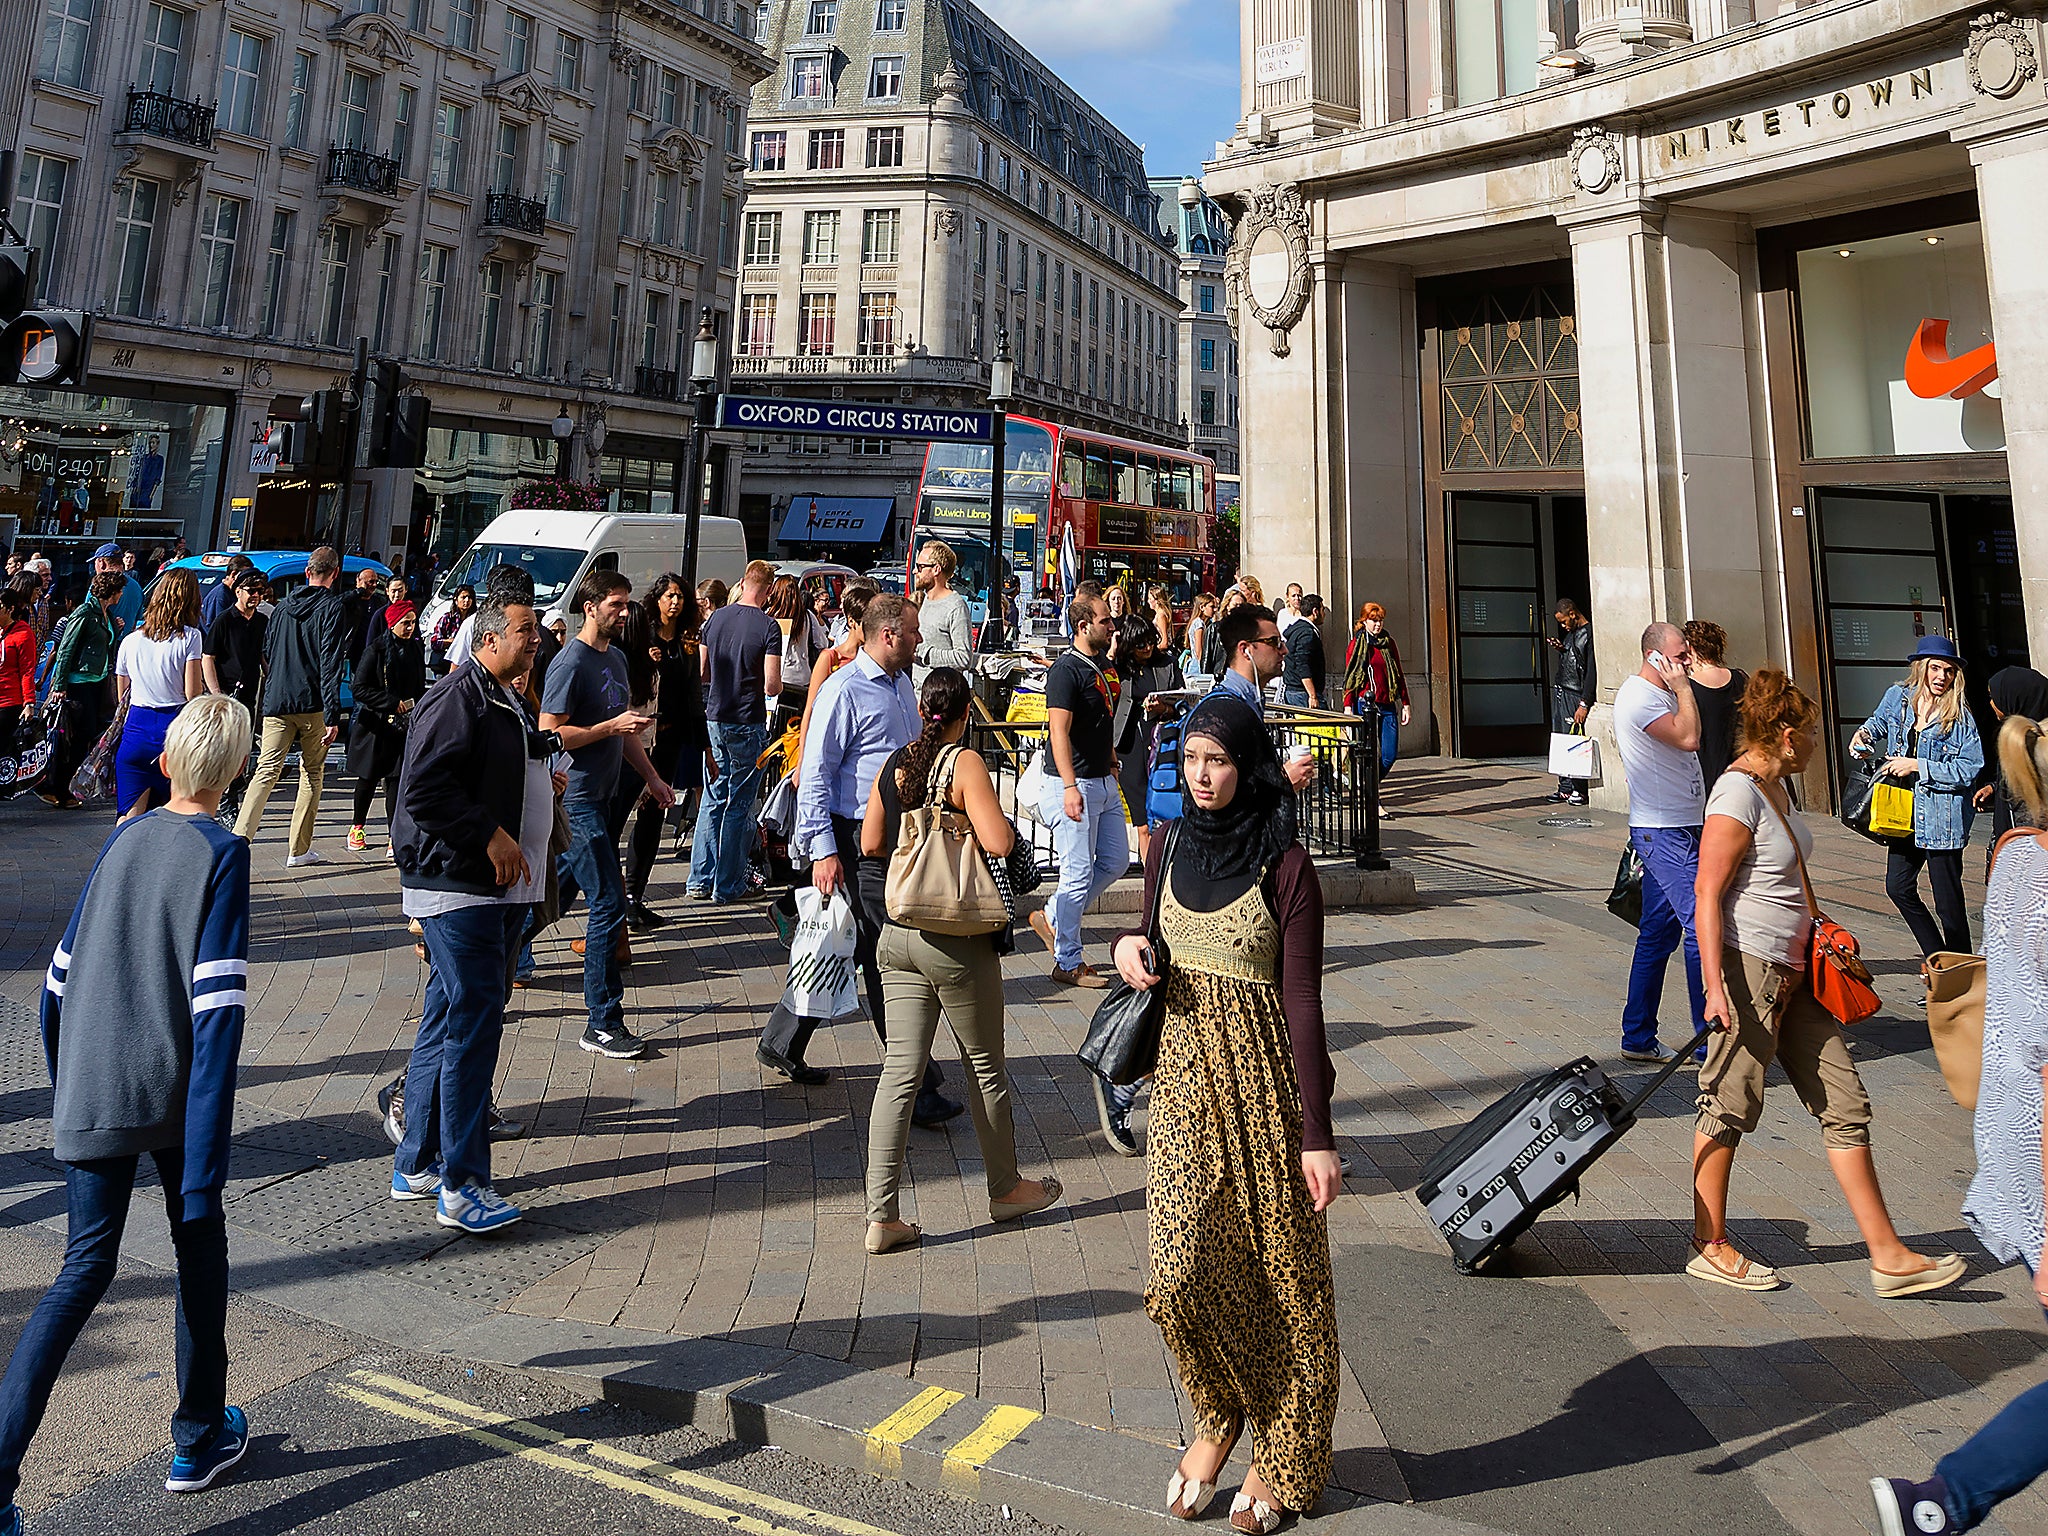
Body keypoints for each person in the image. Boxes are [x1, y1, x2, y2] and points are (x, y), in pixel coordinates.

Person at [4, 695, 255, 1524]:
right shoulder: (224, 853)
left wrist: (66, 1080)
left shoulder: (123, 838)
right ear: (235, 769)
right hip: (173, 1093)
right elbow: (217, 1013)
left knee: (82, 1269)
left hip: (95, 1082)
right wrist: (207, 1158)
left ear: (173, 759)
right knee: (199, 1251)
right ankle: (196, 1436)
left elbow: (56, 983)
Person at [1110, 695, 1340, 1533]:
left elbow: (1306, 1004)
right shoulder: (1165, 846)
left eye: (1219, 760)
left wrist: (1318, 1135)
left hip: (1267, 1094)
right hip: (1179, 1091)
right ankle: (1219, 1414)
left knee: (1283, 1284)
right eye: (1192, 759)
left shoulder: (1288, 864)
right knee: (1174, 1280)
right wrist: (1125, 950)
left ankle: (1281, 1459)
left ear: (1247, 764)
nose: (1203, 776)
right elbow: (1144, 943)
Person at [1691, 670, 1963, 1298]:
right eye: (1809, 733)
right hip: (1749, 966)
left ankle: (1888, 1255)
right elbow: (1707, 894)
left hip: (1799, 972)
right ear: (1785, 736)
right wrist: (1714, 985)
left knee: (1844, 1104)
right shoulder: (1736, 796)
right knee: (1729, 1101)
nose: (1816, 742)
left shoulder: (1776, 789)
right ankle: (1709, 1243)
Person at [1871, 710, 2048, 1534]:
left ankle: (1939, 1502)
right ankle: (1942, 1502)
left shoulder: (2020, 857)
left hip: (2020, 1141)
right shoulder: (2038, 873)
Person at [858, 667, 1063, 1253]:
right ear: (964, 713)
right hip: (954, 937)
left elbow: (872, 843)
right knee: (985, 1067)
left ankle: (882, 1216)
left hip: (897, 934)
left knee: (901, 1071)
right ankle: (1005, 1187)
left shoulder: (897, 762)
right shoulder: (963, 763)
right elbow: (999, 842)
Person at [760, 595, 961, 1123]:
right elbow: (816, 775)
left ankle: (782, 1040)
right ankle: (917, 1086)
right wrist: (823, 850)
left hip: (889, 837)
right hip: (852, 840)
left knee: (841, 945)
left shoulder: (900, 685)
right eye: (914, 631)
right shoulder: (843, 691)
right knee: (883, 956)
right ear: (889, 634)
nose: (921, 639)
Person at [390, 595, 554, 1234]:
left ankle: (419, 1160)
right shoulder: (460, 693)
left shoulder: (497, 692)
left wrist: (533, 775)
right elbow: (425, 788)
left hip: (481, 887)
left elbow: (480, 765)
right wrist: (488, 832)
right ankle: (461, 1183)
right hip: (459, 886)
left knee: (447, 1017)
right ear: (487, 638)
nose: (535, 640)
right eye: (524, 631)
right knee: (474, 1024)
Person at [541, 570, 672, 1059]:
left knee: (549, 895)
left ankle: (499, 952)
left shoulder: (616, 658)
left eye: (625, 603)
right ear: (590, 606)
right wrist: (609, 726)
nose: (623, 612)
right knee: (609, 903)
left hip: (604, 797)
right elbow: (551, 733)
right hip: (575, 799)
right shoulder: (569, 663)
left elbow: (625, 733)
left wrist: (654, 778)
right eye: (615, 604)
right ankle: (601, 1021)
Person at [1853, 636, 1984, 962]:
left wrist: (1918, 765)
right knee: (1898, 887)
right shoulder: (1897, 697)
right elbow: (1877, 724)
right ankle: (1939, 962)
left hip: (1941, 818)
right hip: (1903, 812)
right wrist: (1863, 736)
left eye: (1949, 670)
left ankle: (1963, 982)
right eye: (1936, 668)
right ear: (1922, 668)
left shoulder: (1959, 716)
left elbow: (1970, 768)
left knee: (1948, 904)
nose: (1942, 677)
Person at [1615, 621, 1707, 1065]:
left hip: (1684, 825)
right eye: (1679, 654)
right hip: (1663, 831)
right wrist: (1683, 688)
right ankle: (1707, 1041)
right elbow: (1689, 737)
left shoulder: (1665, 692)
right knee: (1699, 927)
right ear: (1655, 657)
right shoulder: (1638, 698)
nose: (1686, 660)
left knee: (1658, 933)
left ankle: (1637, 1036)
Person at [1024, 593, 1127, 988]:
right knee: (1078, 872)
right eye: (1105, 621)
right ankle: (1068, 960)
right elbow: (1058, 732)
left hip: (1102, 778)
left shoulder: (1101, 665)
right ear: (1084, 626)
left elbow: (1102, 721)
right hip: (1075, 781)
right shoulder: (1066, 670)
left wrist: (1113, 758)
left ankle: (1053, 914)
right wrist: (1069, 785)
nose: (1112, 625)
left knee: (1115, 861)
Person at [235, 546, 348, 867]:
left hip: (278, 698)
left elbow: (268, 650)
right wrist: (332, 712)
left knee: (265, 772)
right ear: (335, 573)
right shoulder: (332, 607)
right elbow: (330, 661)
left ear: (307, 571)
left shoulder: (283, 607)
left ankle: (241, 839)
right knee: (311, 773)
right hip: (312, 702)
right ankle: (298, 850)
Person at [689, 560, 781, 904]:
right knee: (739, 804)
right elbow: (771, 685)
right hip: (747, 717)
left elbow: (701, 671)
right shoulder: (768, 626)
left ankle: (699, 878)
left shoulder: (715, 619)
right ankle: (726, 885)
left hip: (714, 716)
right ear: (768, 589)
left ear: (742, 582)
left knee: (713, 799)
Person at [113, 568, 206, 822]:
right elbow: (192, 693)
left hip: (135, 731)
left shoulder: (131, 641)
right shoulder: (190, 638)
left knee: (129, 817)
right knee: (173, 816)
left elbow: (123, 696)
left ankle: (116, 859)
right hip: (172, 732)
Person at [346, 600, 427, 850]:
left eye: (413, 623)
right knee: (368, 778)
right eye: (406, 623)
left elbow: (418, 685)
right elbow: (358, 688)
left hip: (402, 726)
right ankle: (357, 826)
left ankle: (395, 836)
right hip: (376, 725)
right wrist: (391, 702)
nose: (410, 628)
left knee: (396, 781)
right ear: (392, 624)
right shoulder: (376, 650)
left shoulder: (415, 649)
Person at [1209, 604, 1316, 792]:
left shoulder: (1251, 699)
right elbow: (1216, 793)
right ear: (1245, 650)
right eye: (1274, 642)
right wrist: (1283, 781)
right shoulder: (1225, 710)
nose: (1284, 650)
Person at [39, 571, 121, 811]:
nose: (122, 595)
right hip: (79, 682)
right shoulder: (84, 613)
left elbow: (105, 644)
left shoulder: (105, 614)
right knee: (75, 737)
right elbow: (66, 649)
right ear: (112, 592)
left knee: (88, 734)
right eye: (120, 591)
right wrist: (60, 685)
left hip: (97, 680)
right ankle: (58, 788)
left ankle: (66, 786)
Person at [1112, 615, 1180, 862]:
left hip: (1161, 743)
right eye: (1141, 644)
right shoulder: (1118, 667)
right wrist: (1112, 650)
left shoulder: (1167, 664)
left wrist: (1164, 709)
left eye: (1151, 641)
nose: (1148, 648)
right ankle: (1149, 871)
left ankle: (1161, 870)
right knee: (1141, 819)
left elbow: (1182, 703)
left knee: (1162, 814)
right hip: (1128, 745)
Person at [203, 570, 270, 821]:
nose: (256, 596)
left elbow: (261, 655)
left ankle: (233, 797)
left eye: (260, 591)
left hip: (250, 694)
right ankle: (226, 804)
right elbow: (208, 656)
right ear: (238, 590)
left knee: (243, 749)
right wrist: (216, 693)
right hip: (227, 692)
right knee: (226, 749)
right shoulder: (225, 620)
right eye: (251, 590)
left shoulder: (262, 621)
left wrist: (270, 676)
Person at [1973, 667, 2048, 857]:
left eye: (1993, 697)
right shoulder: (2019, 739)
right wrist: (1995, 787)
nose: (1991, 703)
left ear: (2014, 698)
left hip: (2026, 857)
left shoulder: (2034, 746)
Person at [1342, 602, 1412, 777]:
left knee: (1389, 755)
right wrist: (1348, 706)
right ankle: (1370, 793)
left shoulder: (1388, 643)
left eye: (1380, 620)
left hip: (1387, 704)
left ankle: (1370, 786)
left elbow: (1398, 674)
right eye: (1373, 620)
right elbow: (1351, 677)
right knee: (1368, 753)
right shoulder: (1357, 644)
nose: (1378, 624)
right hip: (1365, 706)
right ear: (1364, 621)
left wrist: (1405, 703)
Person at [1682, 620, 1747, 791]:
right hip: (1739, 771)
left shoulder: (1686, 688)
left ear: (1691, 650)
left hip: (1703, 774)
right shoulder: (1740, 678)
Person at [1547, 598, 1596, 805]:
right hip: (1563, 689)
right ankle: (1565, 786)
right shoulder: (1572, 634)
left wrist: (1584, 702)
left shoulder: (1589, 633)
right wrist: (1562, 650)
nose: (1563, 625)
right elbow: (1575, 659)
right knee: (1561, 739)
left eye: (1564, 621)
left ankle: (1578, 788)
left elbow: (1591, 669)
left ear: (1573, 614)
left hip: (1575, 693)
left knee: (1573, 739)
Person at [910, 541, 973, 685]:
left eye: (920, 567)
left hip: (940, 699)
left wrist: (922, 651)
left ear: (936, 569)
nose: (915, 571)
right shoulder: (923, 600)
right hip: (918, 695)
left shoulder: (955, 606)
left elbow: (963, 658)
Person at [0, 588, 37, 754]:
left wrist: (29, 702)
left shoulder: (23, 633)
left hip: (8, 703)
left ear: (10, 609)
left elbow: (27, 671)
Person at [1279, 593, 1326, 708]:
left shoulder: (1299, 629)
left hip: (1296, 691)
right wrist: (1312, 695)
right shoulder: (1306, 633)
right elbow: (1302, 664)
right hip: (1302, 693)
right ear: (1315, 612)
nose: (1324, 614)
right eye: (1322, 610)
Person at [90, 542, 143, 638]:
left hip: (103, 645)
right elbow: (135, 623)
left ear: (102, 563)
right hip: (125, 644)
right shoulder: (137, 587)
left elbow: (89, 618)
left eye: (95, 562)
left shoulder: (99, 586)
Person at [340, 566, 386, 666]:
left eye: (376, 582)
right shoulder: (351, 600)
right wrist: (359, 591)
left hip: (370, 649)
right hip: (352, 650)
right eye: (370, 582)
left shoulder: (379, 601)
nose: (374, 585)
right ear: (358, 581)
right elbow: (337, 603)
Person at [199, 555, 255, 630]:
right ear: (233, 574)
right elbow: (219, 628)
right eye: (244, 576)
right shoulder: (220, 596)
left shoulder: (233, 593)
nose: (247, 581)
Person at [430, 585, 476, 675]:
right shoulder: (447, 618)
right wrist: (453, 642)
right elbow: (435, 642)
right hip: (447, 664)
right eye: (463, 597)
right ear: (456, 599)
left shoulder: (475, 620)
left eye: (469, 597)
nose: (466, 600)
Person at [1186, 592, 1218, 677]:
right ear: (1202, 607)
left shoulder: (1198, 622)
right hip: (1197, 665)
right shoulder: (1199, 624)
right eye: (1211, 607)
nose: (1214, 610)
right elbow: (1199, 650)